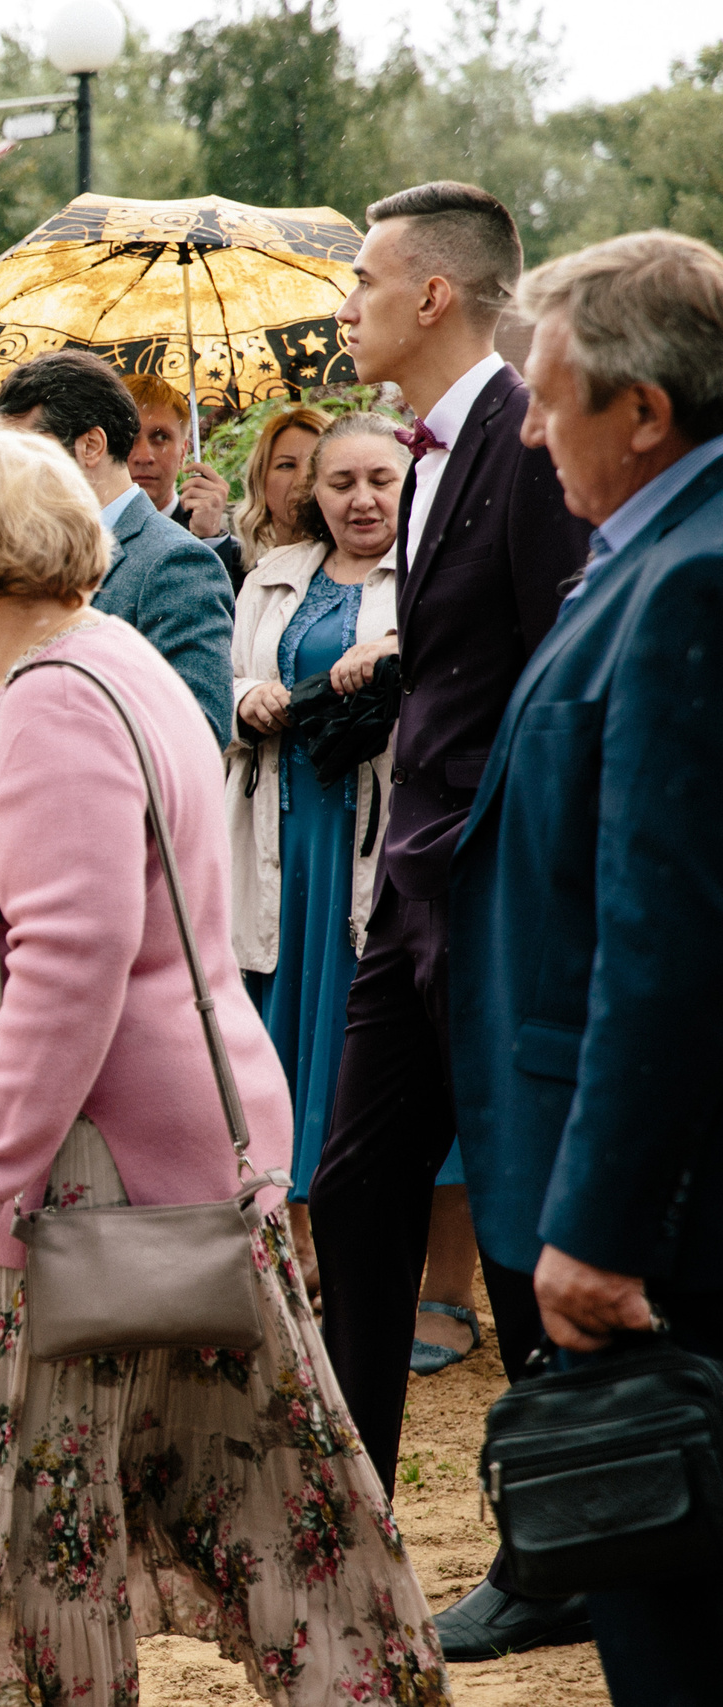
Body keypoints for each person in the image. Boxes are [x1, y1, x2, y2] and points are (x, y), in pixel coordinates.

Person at [0, 425, 446, 1707]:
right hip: (130, 1145)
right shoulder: (98, 656)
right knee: (254, 1476)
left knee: (32, 1520)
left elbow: (71, 960)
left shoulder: (62, 689)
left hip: (79, 1169)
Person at [315, 179, 595, 1663]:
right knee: (353, 1186)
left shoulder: (525, 439)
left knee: (512, 1228)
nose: (343, 301)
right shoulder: (418, 459)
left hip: (495, 892)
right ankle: (347, 1514)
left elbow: (558, 670)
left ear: (434, 295)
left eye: (363, 279)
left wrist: (519, 878)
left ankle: (552, 1545)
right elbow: (451, 660)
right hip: (407, 893)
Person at [450, 228, 723, 1707]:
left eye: (550, 400)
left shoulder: (695, 578)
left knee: (677, 1625)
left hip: (665, 1222)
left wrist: (602, 1224)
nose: (532, 430)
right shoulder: (651, 557)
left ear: (646, 410)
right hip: (629, 1184)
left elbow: (669, 939)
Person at [228, 413, 408, 1295]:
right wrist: (247, 697)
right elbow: (217, 679)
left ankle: (416, 1279)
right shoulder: (271, 577)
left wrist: (394, 651)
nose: (363, 499)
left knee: (366, 1049)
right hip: (281, 838)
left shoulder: (428, 575)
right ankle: (296, 1261)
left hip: (374, 839)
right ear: (315, 494)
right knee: (283, 1047)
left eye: (381, 479)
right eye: (341, 483)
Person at [0, 350, 236, 743]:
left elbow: (199, 729)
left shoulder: (176, 561)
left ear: (90, 445)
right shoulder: (36, 559)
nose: (10, 475)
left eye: (26, 454)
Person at [122, 372, 244, 584]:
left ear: (183, 451)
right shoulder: (77, 540)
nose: (144, 457)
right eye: (130, 436)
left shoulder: (229, 553)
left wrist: (207, 537)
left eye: (161, 437)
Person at [232, 403, 334, 566]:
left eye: (316, 463)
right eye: (286, 465)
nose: (303, 479)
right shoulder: (250, 577)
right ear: (260, 480)